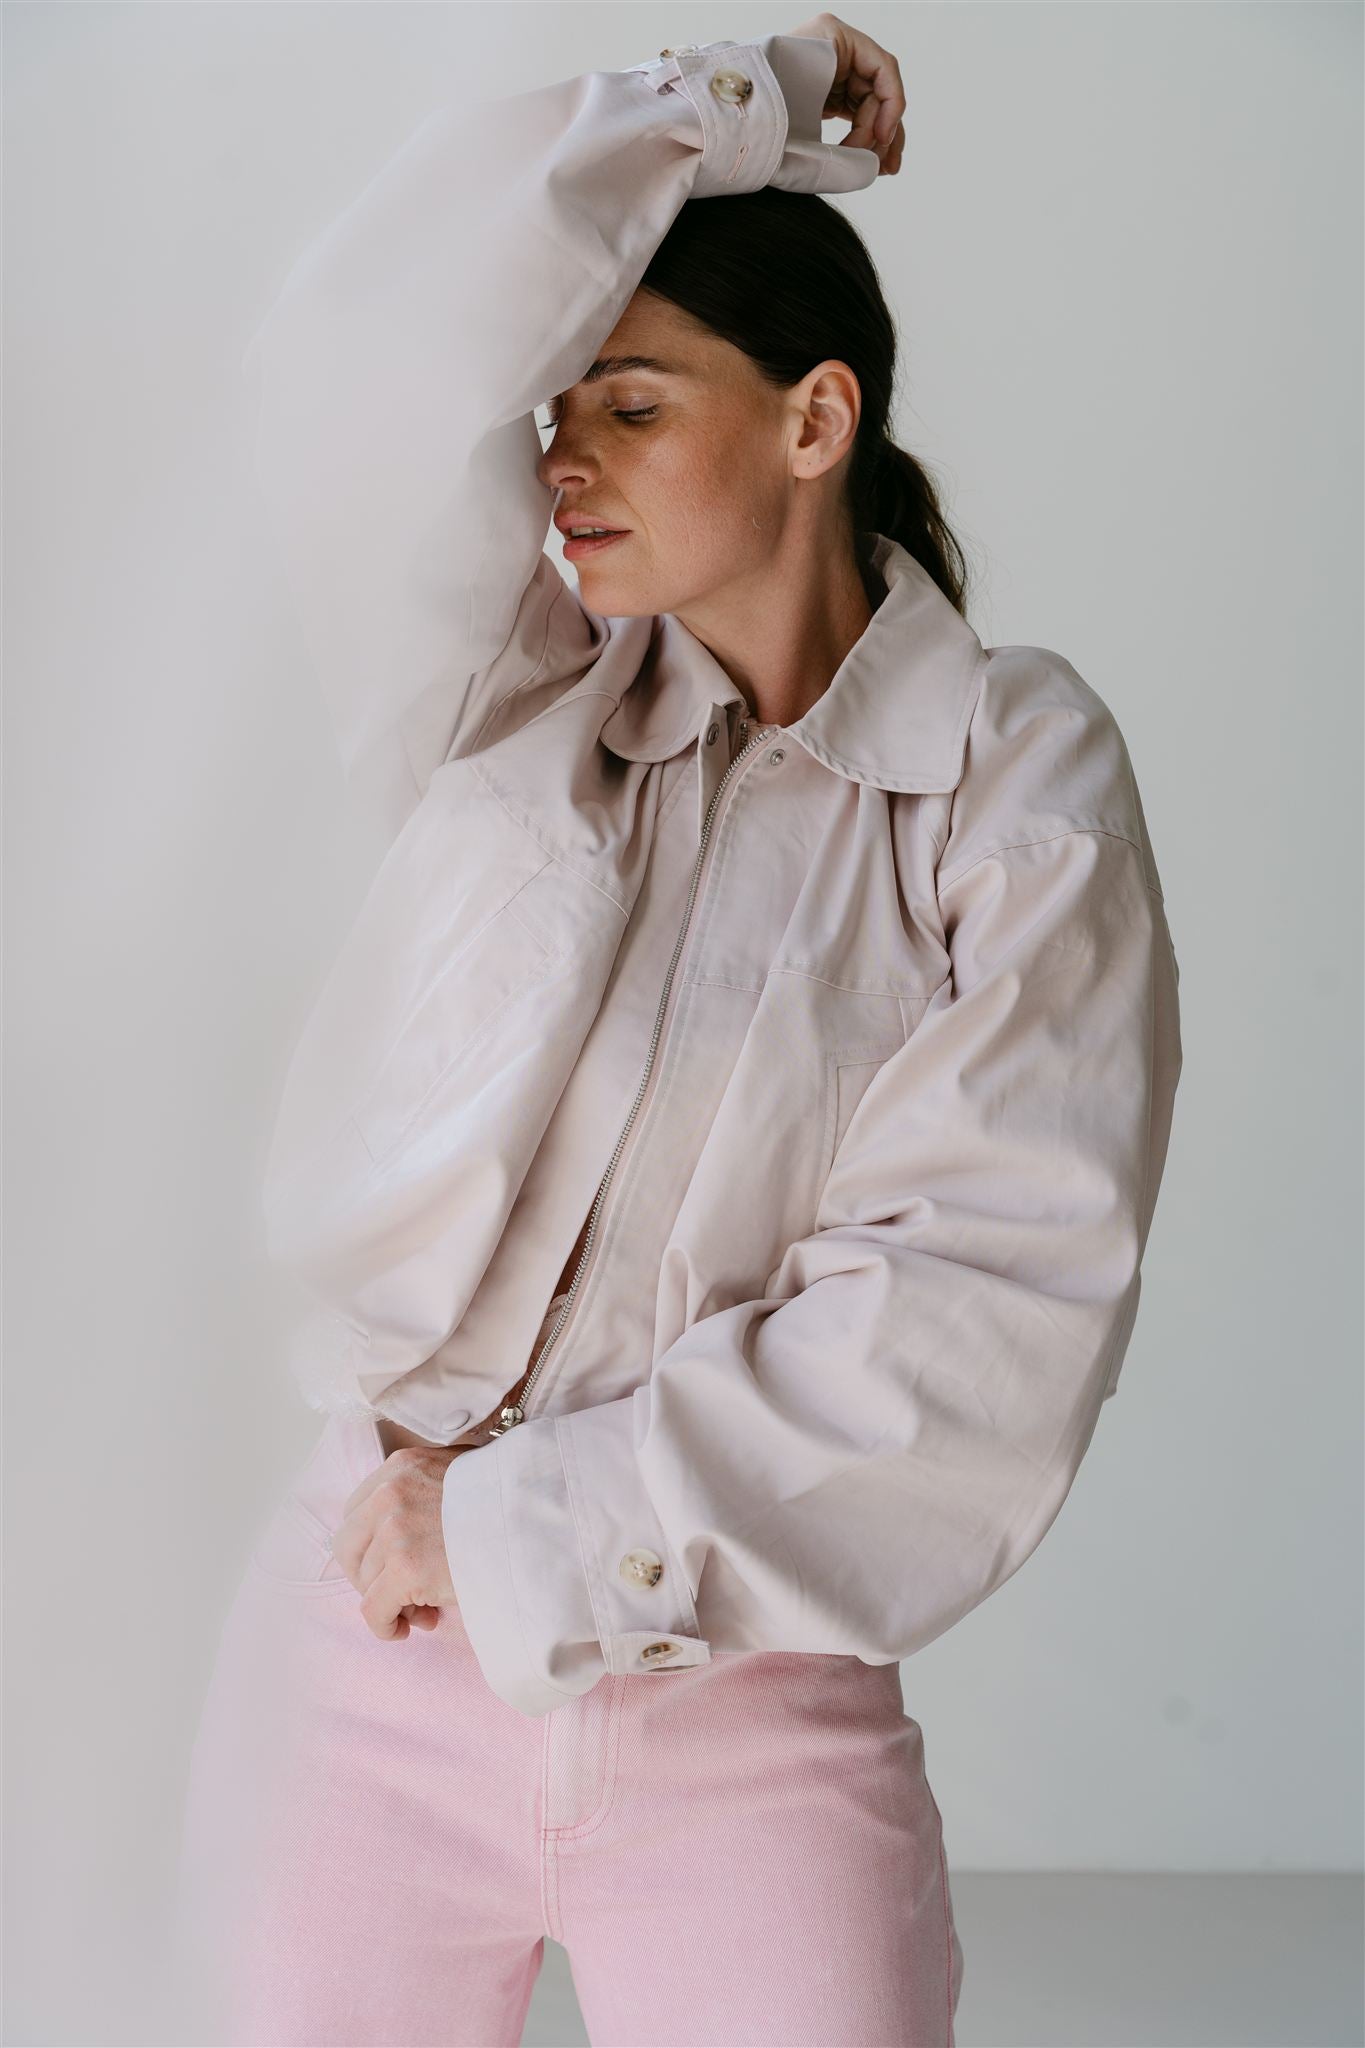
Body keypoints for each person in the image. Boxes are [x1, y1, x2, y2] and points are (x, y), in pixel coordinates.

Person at [175, 15, 1182, 2046]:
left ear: (815, 419)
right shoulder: (507, 689)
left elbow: (974, 1312)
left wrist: (513, 1529)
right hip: (358, 1640)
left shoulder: (1011, 782)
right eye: (558, 409)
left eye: (632, 407)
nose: (564, 460)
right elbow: (348, 353)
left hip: (740, 1695)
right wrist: (720, 105)